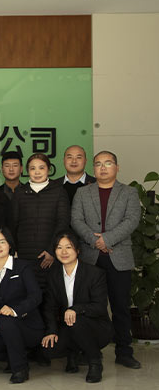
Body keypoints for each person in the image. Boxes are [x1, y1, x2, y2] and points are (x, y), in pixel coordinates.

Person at [71, 150, 141, 369]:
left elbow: (132, 220)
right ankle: (89, 350)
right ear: (93, 168)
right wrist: (95, 241)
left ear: (117, 168)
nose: (103, 168)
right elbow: (76, 220)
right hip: (90, 258)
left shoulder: (129, 192)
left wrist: (107, 239)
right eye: (98, 164)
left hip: (118, 257)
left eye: (108, 163)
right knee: (88, 307)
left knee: (120, 307)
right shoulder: (82, 193)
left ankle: (124, 352)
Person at [41, 231, 112, 383]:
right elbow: (49, 307)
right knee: (48, 350)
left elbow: (100, 307)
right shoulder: (53, 275)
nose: (64, 252)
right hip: (68, 325)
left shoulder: (94, 273)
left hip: (96, 327)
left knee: (76, 320)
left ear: (78, 250)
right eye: (59, 248)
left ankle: (95, 362)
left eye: (68, 247)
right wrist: (51, 331)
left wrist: (76, 309)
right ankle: (72, 353)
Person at [0, 228, 44, 384]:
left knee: (6, 320)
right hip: (4, 326)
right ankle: (17, 356)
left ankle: (20, 369)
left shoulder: (22, 267)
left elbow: (36, 296)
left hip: (29, 326)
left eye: (2, 242)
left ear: (10, 245)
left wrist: (15, 310)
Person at [9, 153, 70, 289]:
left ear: (49, 169)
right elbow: (13, 224)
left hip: (50, 256)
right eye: (32, 168)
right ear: (27, 171)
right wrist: (15, 251)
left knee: (51, 295)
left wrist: (52, 250)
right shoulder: (19, 192)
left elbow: (63, 222)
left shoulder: (59, 191)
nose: (37, 172)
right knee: (27, 293)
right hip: (24, 256)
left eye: (41, 168)